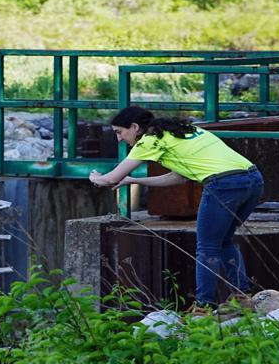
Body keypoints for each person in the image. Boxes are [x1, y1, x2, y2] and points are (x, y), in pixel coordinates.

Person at [89, 107, 264, 313]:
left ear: (135, 127)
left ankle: (203, 307)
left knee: (207, 248)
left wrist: (95, 178)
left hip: (223, 184)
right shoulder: (183, 131)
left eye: (119, 132)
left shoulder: (149, 140)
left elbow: (110, 178)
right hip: (253, 180)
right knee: (223, 241)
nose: (119, 139)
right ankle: (242, 297)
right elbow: (177, 177)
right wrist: (134, 180)